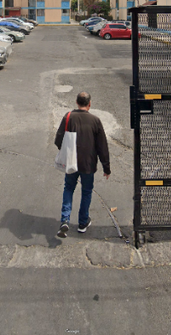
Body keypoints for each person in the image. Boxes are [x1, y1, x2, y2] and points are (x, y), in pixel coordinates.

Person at [54, 91, 110, 238]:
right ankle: (83, 222)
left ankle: (65, 220)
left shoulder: (68, 117)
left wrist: (66, 151)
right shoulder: (95, 121)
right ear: (89, 104)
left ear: (76, 102)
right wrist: (106, 167)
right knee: (86, 191)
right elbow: (102, 146)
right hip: (88, 164)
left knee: (68, 188)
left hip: (71, 163)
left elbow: (58, 139)